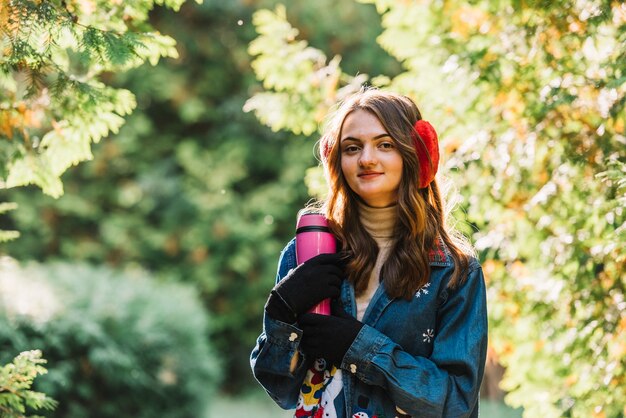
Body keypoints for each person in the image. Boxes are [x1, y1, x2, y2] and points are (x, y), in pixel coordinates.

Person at [250, 88, 488, 418]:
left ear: (416, 155)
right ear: (337, 160)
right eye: (352, 147)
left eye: (384, 144)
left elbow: (456, 403)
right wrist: (280, 313)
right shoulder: (305, 255)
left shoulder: (454, 272)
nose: (366, 158)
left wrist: (358, 347)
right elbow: (282, 388)